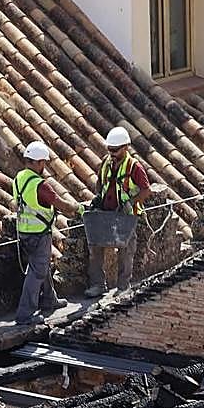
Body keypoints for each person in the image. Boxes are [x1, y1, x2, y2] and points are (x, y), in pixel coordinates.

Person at [13, 141, 75, 325]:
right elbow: (60, 204)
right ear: (39, 162)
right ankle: (25, 314)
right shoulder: (41, 185)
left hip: (23, 232)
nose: (44, 167)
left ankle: (49, 299)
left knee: (42, 266)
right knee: (37, 272)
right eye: (43, 163)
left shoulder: (19, 178)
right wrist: (77, 209)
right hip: (39, 233)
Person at [86, 126, 150, 297]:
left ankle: (123, 286)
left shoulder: (134, 167)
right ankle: (98, 285)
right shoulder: (106, 162)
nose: (112, 153)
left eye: (115, 150)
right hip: (105, 212)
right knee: (96, 246)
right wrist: (98, 196)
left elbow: (146, 190)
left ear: (126, 147)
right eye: (110, 149)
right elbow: (100, 181)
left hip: (126, 215)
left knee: (126, 250)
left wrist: (131, 202)